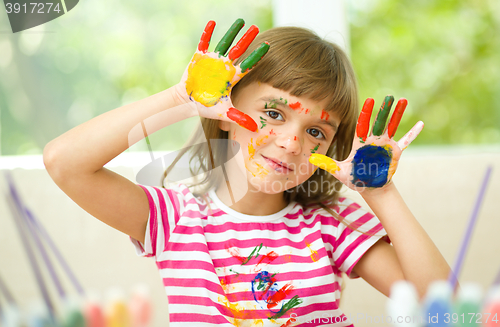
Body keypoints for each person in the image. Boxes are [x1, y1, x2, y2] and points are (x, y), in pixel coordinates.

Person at [44, 19, 450, 326]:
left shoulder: (332, 222)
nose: (292, 143)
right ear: (225, 113)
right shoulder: (176, 218)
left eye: (315, 132)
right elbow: (65, 163)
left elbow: (444, 309)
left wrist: (382, 195)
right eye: (273, 113)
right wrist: (180, 98)